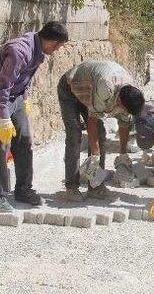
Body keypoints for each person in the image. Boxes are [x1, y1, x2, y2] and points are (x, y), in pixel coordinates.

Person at [0, 21, 68, 212]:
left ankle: (23, 189)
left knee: (24, 141)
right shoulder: (20, 52)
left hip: (15, 99)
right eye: (58, 46)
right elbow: (0, 87)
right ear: (52, 41)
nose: (58, 50)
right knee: (3, 144)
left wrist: (24, 99)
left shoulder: (39, 50)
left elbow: (24, 79)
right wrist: (3, 118)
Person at [57, 60, 138, 201]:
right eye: (123, 109)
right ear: (119, 101)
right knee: (74, 134)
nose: (123, 112)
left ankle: (95, 187)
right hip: (71, 88)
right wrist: (95, 154)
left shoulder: (131, 95)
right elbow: (92, 121)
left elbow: (124, 123)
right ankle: (71, 187)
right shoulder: (105, 88)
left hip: (91, 87)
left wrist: (123, 153)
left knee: (101, 135)